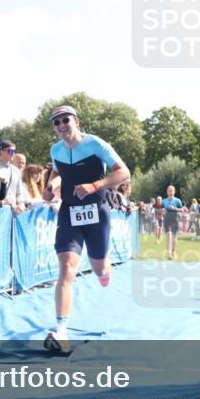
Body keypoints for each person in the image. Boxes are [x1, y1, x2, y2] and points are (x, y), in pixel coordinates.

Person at [41, 105, 130, 353]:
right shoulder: (56, 149)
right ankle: (61, 331)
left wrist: (94, 185)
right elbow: (58, 172)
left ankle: (104, 265)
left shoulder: (96, 144)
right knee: (67, 268)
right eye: (56, 123)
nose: (60, 126)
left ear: (76, 121)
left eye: (65, 120)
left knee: (100, 268)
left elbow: (124, 172)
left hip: (97, 210)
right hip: (70, 211)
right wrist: (51, 186)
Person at [0, 141, 26, 212]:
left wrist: (21, 204)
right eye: (10, 151)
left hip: (13, 210)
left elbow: (19, 192)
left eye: (14, 151)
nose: (13, 154)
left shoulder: (16, 170)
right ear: (1, 152)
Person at [162, 184, 187, 259]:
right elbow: (161, 210)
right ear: (167, 192)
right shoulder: (164, 201)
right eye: (168, 190)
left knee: (174, 238)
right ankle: (169, 253)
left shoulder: (177, 201)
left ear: (174, 192)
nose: (170, 192)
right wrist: (163, 211)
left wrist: (174, 208)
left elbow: (182, 210)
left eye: (171, 190)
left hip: (175, 219)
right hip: (167, 219)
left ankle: (173, 251)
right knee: (168, 235)